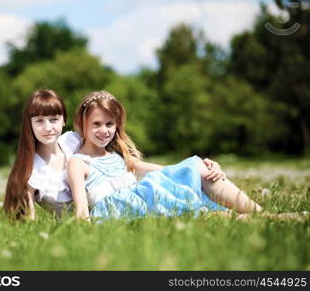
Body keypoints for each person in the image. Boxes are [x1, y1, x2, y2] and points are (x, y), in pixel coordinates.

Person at [68, 91, 304, 222]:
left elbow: (167, 170)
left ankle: (265, 215)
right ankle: (273, 217)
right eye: (97, 124)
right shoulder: (78, 162)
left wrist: (205, 166)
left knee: (196, 169)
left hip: (146, 199)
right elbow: (81, 211)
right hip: (123, 212)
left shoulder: (120, 158)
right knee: (198, 203)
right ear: (82, 123)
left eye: (110, 124)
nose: (104, 130)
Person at [3, 90, 81, 220]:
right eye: (39, 121)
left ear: (64, 120)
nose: (47, 127)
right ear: (30, 124)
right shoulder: (30, 172)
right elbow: (25, 223)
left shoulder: (73, 142)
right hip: (78, 230)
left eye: (54, 119)